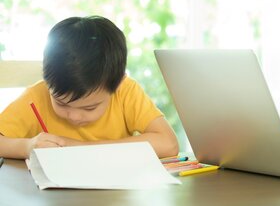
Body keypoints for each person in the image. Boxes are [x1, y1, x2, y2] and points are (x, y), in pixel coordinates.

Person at [0, 16, 179, 159]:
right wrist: (27, 147)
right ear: (47, 80)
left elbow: (168, 144)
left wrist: (76, 147)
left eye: (89, 107)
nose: (75, 116)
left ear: (118, 83)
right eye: (61, 103)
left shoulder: (125, 92)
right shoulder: (37, 96)